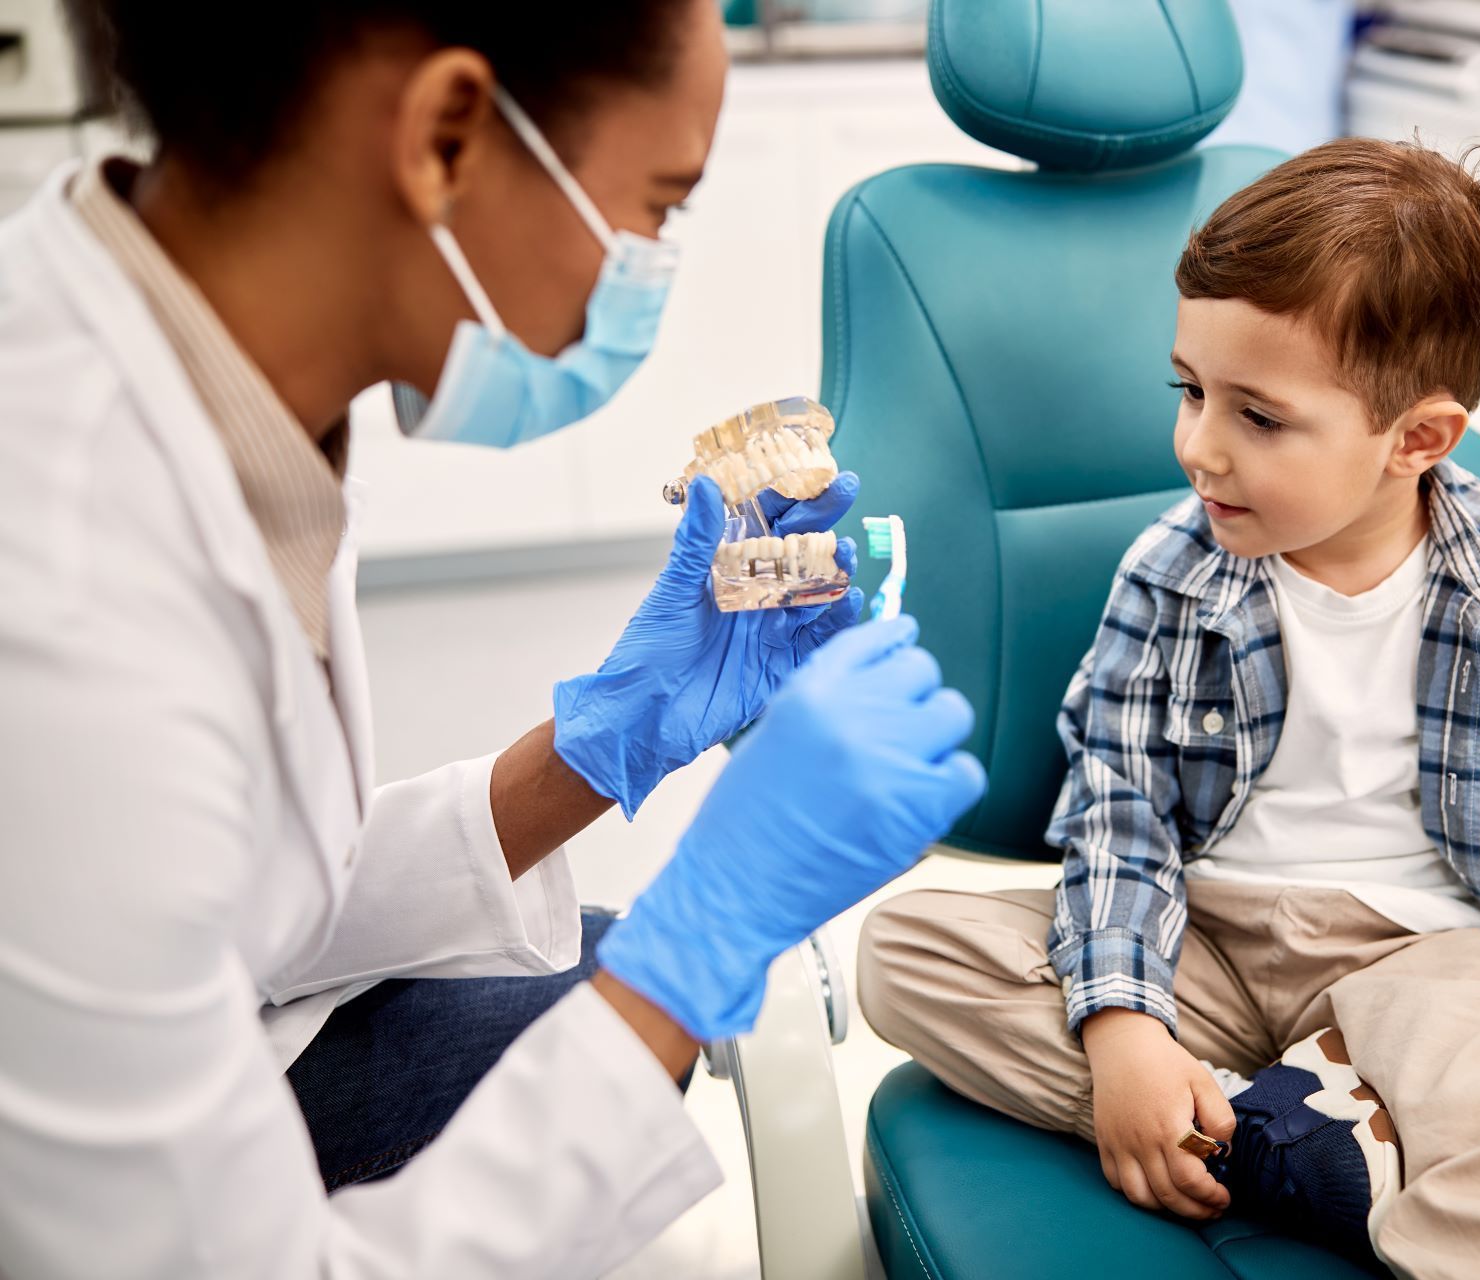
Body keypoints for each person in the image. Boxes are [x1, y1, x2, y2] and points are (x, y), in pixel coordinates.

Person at [0, 1, 983, 1275]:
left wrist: (596, 746)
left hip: (194, 1065)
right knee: (635, 992)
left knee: (602, 960)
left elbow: (247, 893)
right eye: (657, 206)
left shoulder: (209, 390)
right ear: (448, 136)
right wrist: (702, 947)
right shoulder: (66, 593)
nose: (649, 265)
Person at [859, 138, 1480, 1278]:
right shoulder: (1172, 571)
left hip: (1429, 945)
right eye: (1190, 392)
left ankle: (1306, 1129)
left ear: (1418, 439)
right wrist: (1125, 1031)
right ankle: (1323, 1133)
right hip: (1207, 931)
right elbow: (1123, 810)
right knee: (907, 953)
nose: (1200, 446)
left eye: (1259, 416)